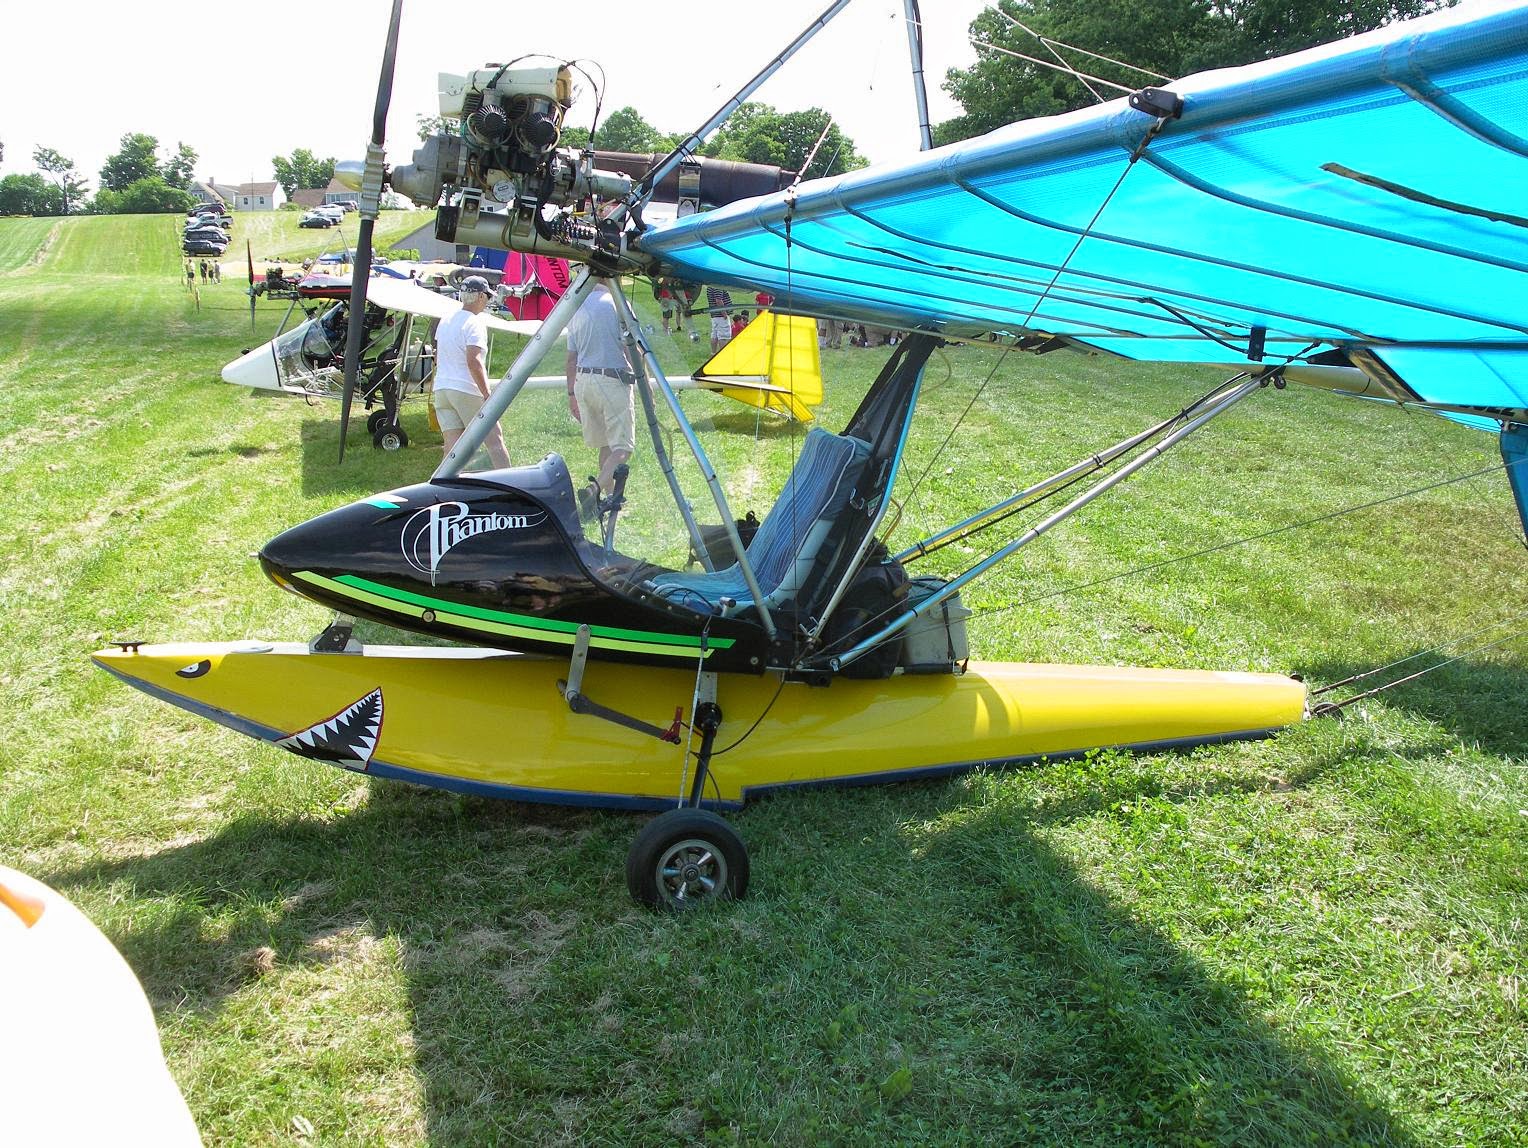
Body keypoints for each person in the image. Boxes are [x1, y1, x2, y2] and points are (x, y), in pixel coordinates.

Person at [566, 280, 637, 517]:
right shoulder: (618, 304)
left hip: (583, 382)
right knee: (623, 447)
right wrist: (644, 382)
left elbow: (571, 358)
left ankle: (609, 500)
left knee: (606, 443)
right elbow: (631, 349)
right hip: (611, 379)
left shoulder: (576, 307)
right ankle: (594, 489)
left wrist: (571, 395)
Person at [432, 274, 511, 469]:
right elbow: (474, 361)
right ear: (480, 297)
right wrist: (486, 393)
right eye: (487, 296)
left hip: (442, 389)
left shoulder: (446, 319)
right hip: (465, 388)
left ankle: (441, 490)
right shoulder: (474, 322)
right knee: (494, 441)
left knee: (451, 449)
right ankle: (512, 485)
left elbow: (437, 355)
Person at [705, 284, 733, 352]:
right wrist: (724, 314)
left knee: (715, 335)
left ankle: (713, 352)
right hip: (721, 315)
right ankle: (723, 353)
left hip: (715, 315)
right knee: (724, 336)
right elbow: (718, 300)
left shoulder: (710, 285)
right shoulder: (718, 286)